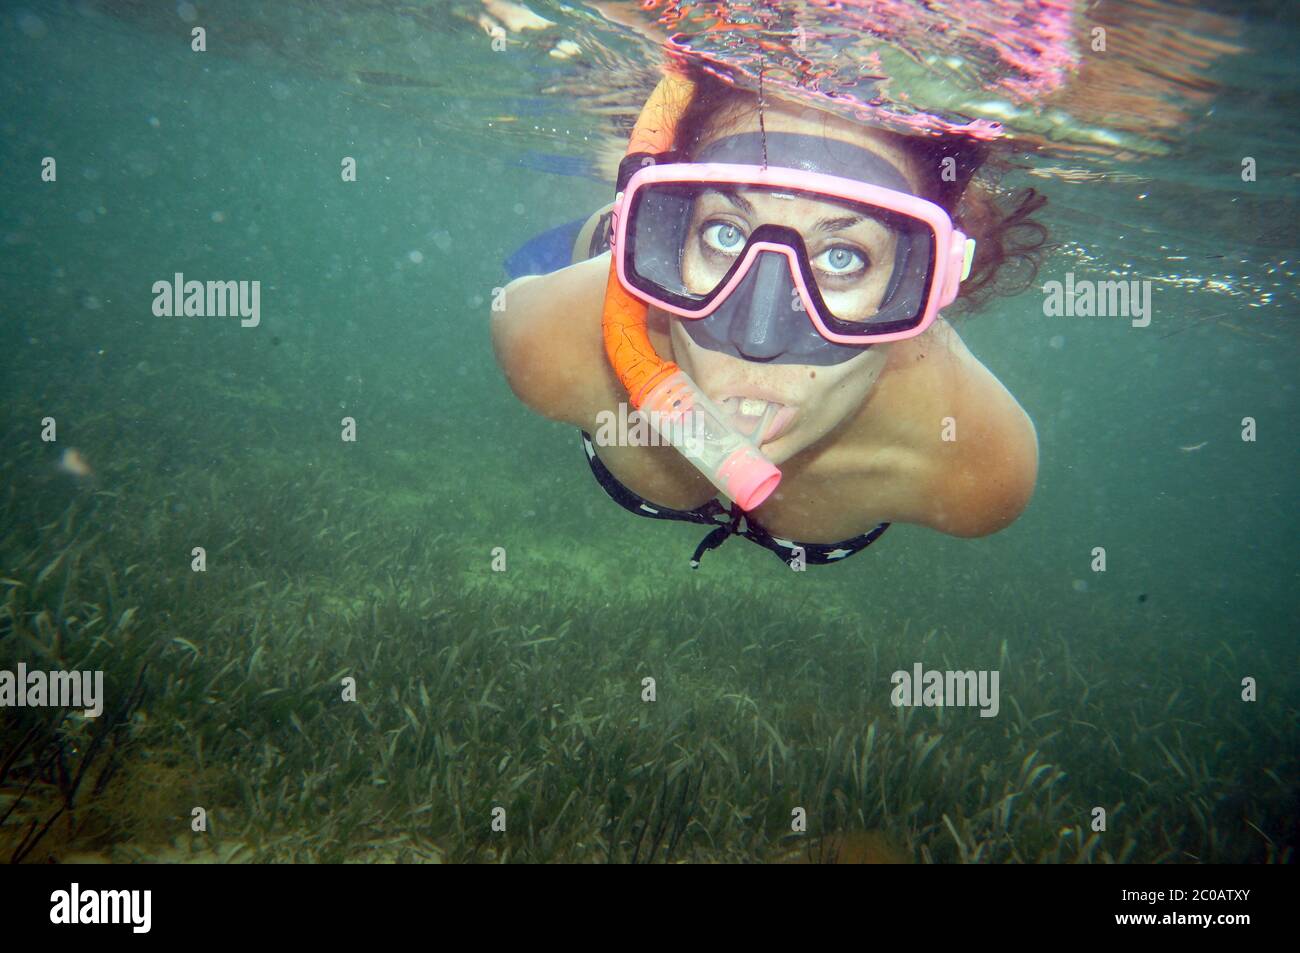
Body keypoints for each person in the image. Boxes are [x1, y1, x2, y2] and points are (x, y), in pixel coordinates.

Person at [492, 63, 1045, 568]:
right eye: (724, 234)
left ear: (921, 282)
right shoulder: (549, 342)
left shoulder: (978, 467)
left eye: (842, 257)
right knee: (599, 245)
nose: (757, 336)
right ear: (670, 233)